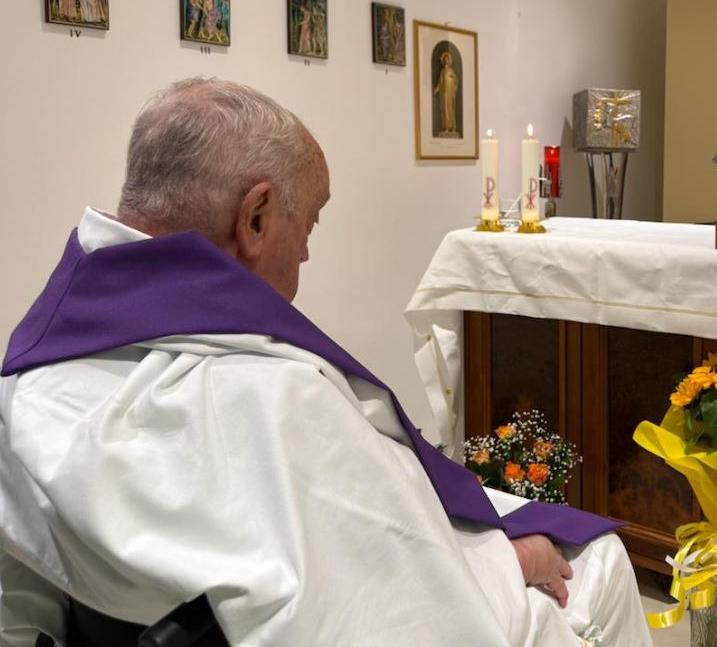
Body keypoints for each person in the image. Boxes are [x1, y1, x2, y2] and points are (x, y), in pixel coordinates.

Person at [0, 78, 652, 646]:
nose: (307, 256)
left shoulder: (32, 376)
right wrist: (514, 563)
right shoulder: (278, 397)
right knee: (599, 560)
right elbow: (404, 602)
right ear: (255, 217)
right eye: (308, 223)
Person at [434, 50, 460, 136]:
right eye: (445, 59)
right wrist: (436, 89)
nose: (446, 61)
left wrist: (453, 78)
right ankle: (446, 127)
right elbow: (440, 83)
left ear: (449, 61)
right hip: (444, 93)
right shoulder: (442, 72)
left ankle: (452, 127)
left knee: (451, 109)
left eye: (447, 59)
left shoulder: (451, 71)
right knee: (445, 109)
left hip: (450, 93)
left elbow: (456, 81)